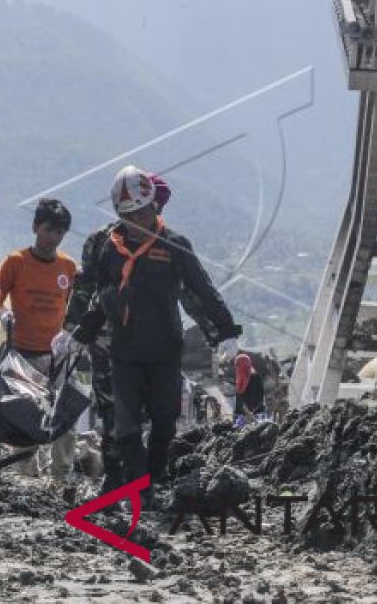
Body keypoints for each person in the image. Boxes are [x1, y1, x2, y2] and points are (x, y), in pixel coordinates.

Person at [70, 165, 239, 505]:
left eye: (143, 212)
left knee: (164, 423)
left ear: (155, 207)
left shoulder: (175, 245)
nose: (137, 220)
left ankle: (152, 476)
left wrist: (226, 331)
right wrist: (80, 328)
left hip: (165, 350)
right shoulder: (107, 247)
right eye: (129, 214)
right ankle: (142, 489)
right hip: (124, 353)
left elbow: (201, 291)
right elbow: (100, 291)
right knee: (126, 426)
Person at [0, 198, 78, 484]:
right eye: (49, 230)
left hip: (57, 356)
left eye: (59, 233)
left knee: (65, 416)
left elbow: (76, 307)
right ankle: (26, 475)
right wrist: (4, 314)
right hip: (22, 355)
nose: (53, 238)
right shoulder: (15, 262)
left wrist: (70, 335)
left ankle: (61, 475)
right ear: (35, 227)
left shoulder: (68, 267)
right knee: (25, 417)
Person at [233, 353, 266, 424]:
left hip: (255, 415)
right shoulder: (239, 378)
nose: (236, 367)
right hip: (241, 415)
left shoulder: (255, 378)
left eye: (238, 364)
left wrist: (249, 413)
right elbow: (238, 399)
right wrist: (236, 414)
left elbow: (258, 398)